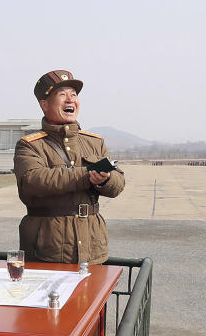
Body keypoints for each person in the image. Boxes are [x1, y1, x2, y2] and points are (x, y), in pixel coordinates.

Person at [13, 70, 125, 264]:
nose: (70, 100)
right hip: (48, 247)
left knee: (93, 294)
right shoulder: (30, 144)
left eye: (73, 95)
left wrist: (105, 179)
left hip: (92, 245)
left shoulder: (94, 142)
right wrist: (87, 175)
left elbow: (118, 183)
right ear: (44, 104)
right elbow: (33, 180)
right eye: (62, 94)